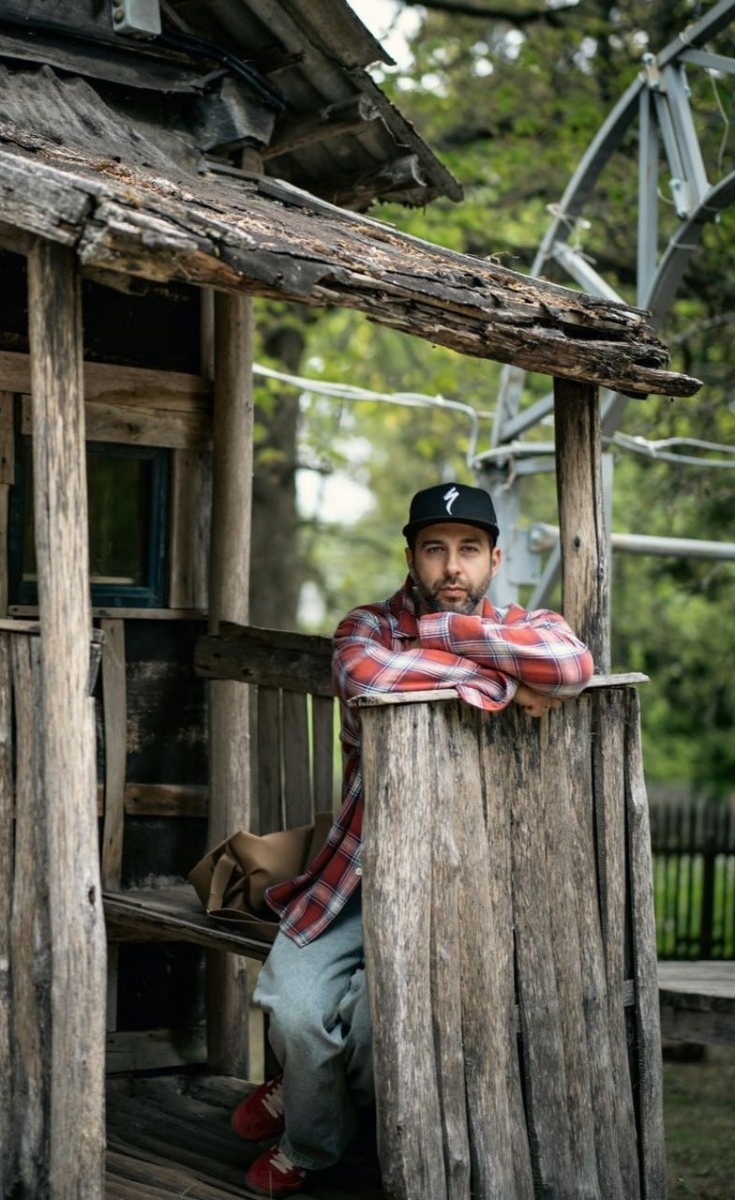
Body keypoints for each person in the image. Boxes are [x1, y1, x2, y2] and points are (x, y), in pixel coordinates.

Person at [230, 481, 595, 1196]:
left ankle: (307, 1124)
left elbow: (571, 666)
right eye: (434, 551)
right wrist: (501, 680)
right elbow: (370, 676)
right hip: (352, 879)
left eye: (467, 551)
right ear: (411, 556)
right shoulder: (363, 627)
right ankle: (307, 1119)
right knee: (296, 1012)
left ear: (495, 558)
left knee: (373, 1030)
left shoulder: (536, 621)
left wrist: (441, 643)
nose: (450, 569)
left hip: (458, 890)